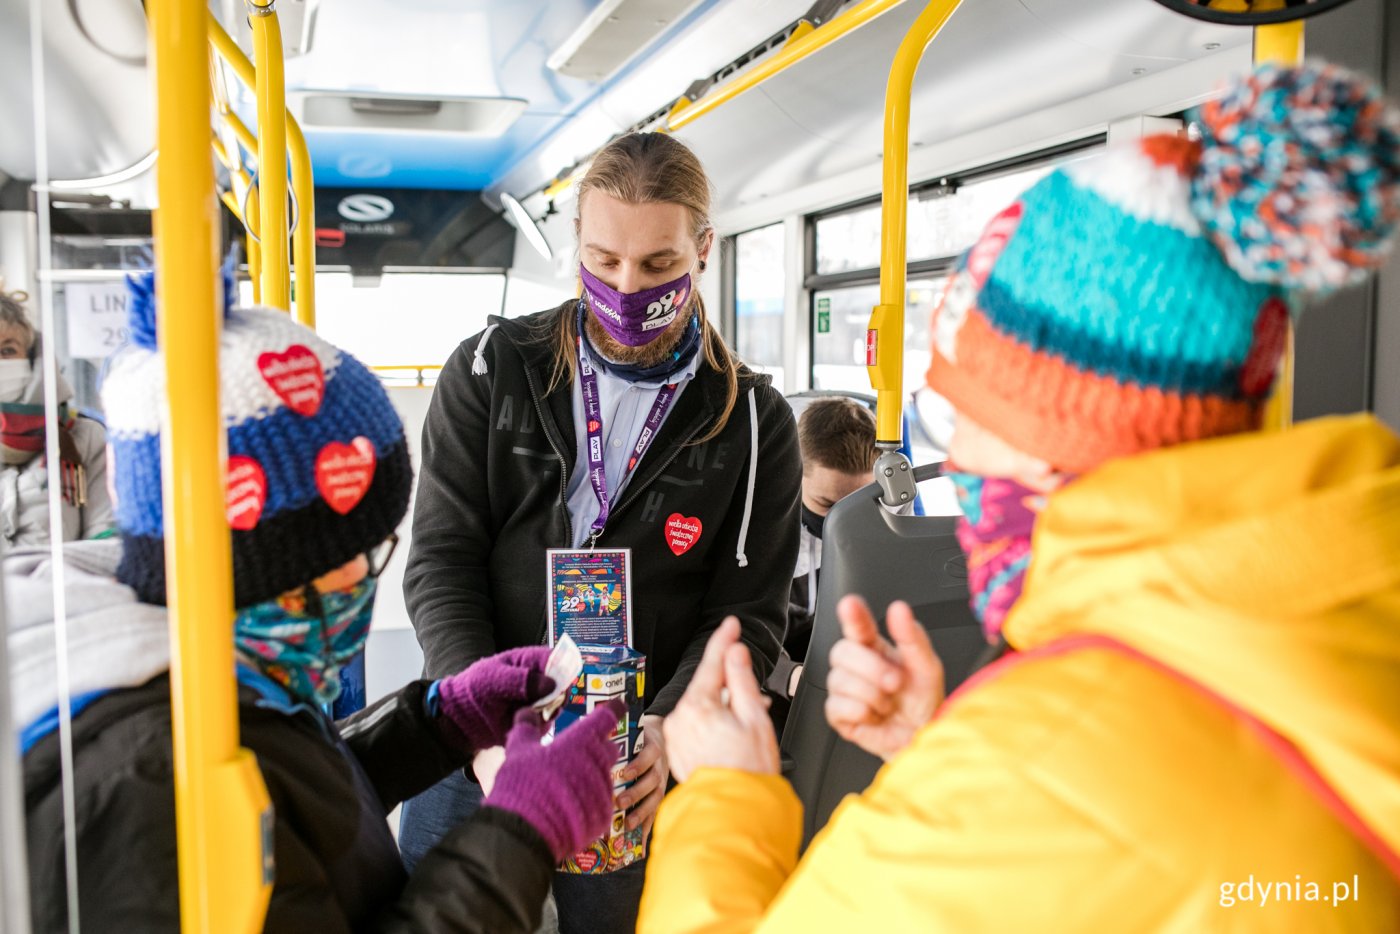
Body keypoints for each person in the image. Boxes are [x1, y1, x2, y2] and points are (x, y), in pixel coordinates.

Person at [638, 62, 1400, 930]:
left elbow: (1083, 812)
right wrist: (947, 747)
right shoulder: (1346, 606)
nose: (953, 451)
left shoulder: (1041, 762)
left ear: (1056, 442)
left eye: (964, 412)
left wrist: (728, 796)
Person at [15, 271, 624, 933]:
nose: (366, 579)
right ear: (267, 565)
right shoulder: (147, 785)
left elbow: (293, 812)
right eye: (352, 558)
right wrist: (521, 834)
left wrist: (435, 723)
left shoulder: (206, 679)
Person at [399, 131, 802, 933]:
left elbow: (749, 616)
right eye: (603, 260)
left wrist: (671, 725)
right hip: (478, 716)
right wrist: (486, 737)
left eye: (658, 266)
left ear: (704, 249)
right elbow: (441, 564)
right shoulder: (489, 369)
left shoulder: (755, 424)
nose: (626, 288)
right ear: (575, 247)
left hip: (633, 744)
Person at [766, 397, 877, 730]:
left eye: (855, 505)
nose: (840, 521)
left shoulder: (882, 529)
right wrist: (792, 677)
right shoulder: (760, 532)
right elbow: (739, 629)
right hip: (777, 689)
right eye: (826, 504)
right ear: (792, 476)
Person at [0, 288, 112, 546]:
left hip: (63, 583)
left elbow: (105, 539)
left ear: (32, 361)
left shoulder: (84, 438)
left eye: (7, 350)